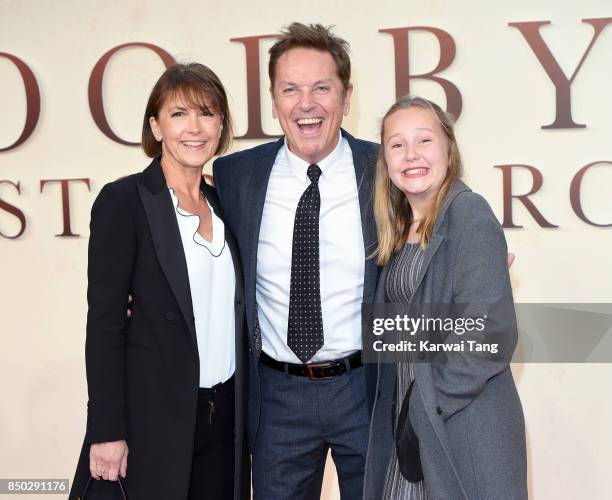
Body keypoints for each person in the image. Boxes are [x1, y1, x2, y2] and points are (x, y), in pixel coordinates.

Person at [213, 23, 379, 499]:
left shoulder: (384, 170)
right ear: (273, 99)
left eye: (321, 88)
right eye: (291, 89)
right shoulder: (235, 175)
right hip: (277, 394)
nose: (306, 104)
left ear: (346, 97)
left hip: (365, 388)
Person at [70, 63, 249, 500]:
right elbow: (106, 323)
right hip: (153, 419)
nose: (195, 127)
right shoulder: (125, 201)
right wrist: (107, 430)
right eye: (179, 114)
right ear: (156, 125)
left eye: (207, 113)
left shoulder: (225, 202)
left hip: (223, 420)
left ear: (222, 124)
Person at [363, 95, 527, 499]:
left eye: (424, 140)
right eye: (397, 144)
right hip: (411, 431)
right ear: (385, 160)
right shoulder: (399, 227)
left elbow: (489, 336)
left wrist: (424, 411)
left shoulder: (468, 213)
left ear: (448, 149)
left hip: (458, 428)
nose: (411, 154)